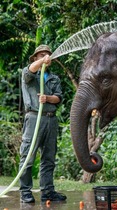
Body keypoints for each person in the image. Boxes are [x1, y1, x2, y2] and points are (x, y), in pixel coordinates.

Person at [19, 45, 67, 203]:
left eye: (47, 54)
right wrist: (41, 62)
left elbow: (58, 98)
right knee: (28, 157)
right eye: (41, 55)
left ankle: (47, 191)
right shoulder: (29, 74)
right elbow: (30, 70)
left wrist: (47, 98)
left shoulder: (54, 78)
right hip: (34, 118)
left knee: (49, 158)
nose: (45, 56)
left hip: (51, 119)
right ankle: (25, 191)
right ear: (35, 58)